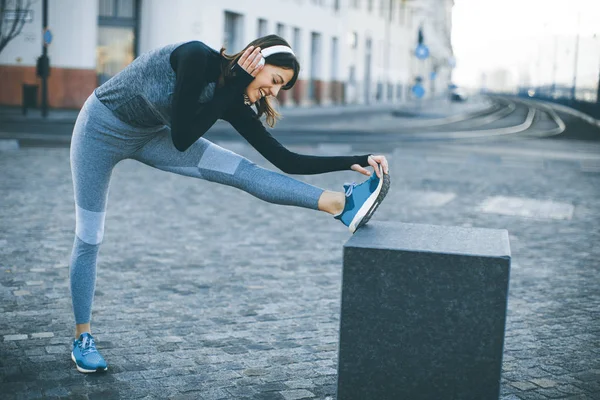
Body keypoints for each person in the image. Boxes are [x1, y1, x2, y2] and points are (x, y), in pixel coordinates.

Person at [69, 34, 390, 373]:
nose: (274, 93)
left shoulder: (233, 96)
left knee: (245, 172)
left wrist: (356, 159)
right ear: (256, 60)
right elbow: (182, 137)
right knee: (90, 236)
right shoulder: (194, 56)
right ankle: (82, 337)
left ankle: (340, 205)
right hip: (100, 130)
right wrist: (232, 83)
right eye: (275, 81)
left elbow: (286, 160)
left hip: (150, 136)